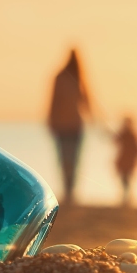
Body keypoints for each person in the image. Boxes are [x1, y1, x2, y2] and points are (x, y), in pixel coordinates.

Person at [47, 49, 92, 204]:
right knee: (69, 158)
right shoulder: (74, 78)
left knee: (68, 158)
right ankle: (69, 190)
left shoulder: (71, 78)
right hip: (68, 126)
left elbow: (86, 101)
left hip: (68, 126)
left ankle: (70, 191)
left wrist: (51, 120)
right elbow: (87, 102)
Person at [113, 116, 137, 206]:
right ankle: (126, 197)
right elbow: (115, 141)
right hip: (124, 161)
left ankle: (127, 197)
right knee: (125, 180)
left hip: (127, 161)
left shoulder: (131, 135)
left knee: (126, 180)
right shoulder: (126, 134)